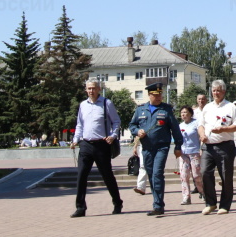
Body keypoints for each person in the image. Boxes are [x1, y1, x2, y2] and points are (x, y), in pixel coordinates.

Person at [128, 82, 183, 216]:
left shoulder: (166, 110)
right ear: (149, 95)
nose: (159, 97)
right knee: (152, 175)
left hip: (161, 147)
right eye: (156, 95)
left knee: (158, 174)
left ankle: (158, 205)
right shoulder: (141, 110)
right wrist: (137, 131)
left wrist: (178, 146)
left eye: (160, 94)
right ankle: (157, 202)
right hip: (146, 148)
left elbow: (175, 129)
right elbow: (132, 125)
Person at [70, 80, 123, 218]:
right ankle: (80, 207)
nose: (91, 91)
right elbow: (79, 125)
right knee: (81, 176)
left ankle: (117, 203)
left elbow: (116, 121)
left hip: (102, 145)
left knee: (107, 176)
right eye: (88, 89)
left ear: (99, 89)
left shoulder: (106, 103)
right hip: (86, 144)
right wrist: (75, 140)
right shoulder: (82, 105)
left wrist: (113, 135)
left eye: (93, 88)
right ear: (86, 90)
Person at [198, 79, 236, 215]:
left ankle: (225, 205)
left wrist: (224, 129)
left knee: (226, 176)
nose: (216, 93)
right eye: (214, 90)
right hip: (208, 146)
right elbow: (200, 125)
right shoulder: (207, 107)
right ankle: (210, 203)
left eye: (218, 91)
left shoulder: (231, 107)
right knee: (205, 172)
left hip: (225, 146)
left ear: (224, 92)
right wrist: (202, 135)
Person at [177, 105, 203, 206]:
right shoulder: (180, 126)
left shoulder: (196, 123)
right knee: (184, 176)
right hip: (184, 154)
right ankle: (186, 197)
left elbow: (201, 136)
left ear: (190, 114)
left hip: (195, 152)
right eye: (182, 113)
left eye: (185, 112)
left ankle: (203, 192)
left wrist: (201, 148)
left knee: (196, 175)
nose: (183, 114)